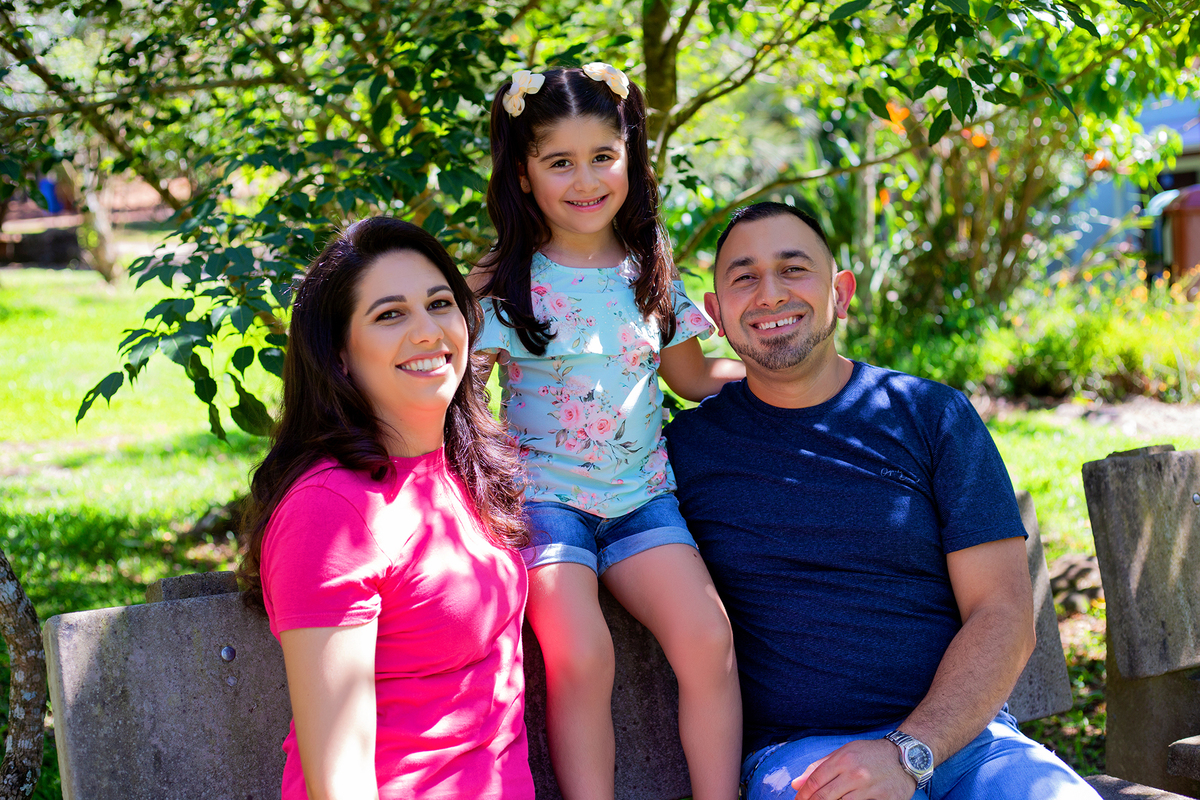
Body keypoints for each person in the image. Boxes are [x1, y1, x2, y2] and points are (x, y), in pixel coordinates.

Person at [665, 201, 1104, 800]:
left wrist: (910, 751)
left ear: (840, 293)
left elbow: (1003, 613)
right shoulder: (684, 452)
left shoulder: (930, 416)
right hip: (805, 758)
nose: (769, 294)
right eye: (744, 277)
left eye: (794, 269)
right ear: (714, 313)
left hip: (966, 745)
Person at [470, 63, 745, 800]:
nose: (585, 179)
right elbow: (455, 396)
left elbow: (690, 379)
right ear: (523, 175)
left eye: (603, 156)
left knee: (709, 640)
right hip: (544, 504)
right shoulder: (500, 283)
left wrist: (782, 376)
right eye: (559, 161)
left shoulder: (648, 270)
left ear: (630, 157)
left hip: (642, 502)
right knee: (583, 656)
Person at [238, 217, 534, 800]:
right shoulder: (329, 515)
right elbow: (337, 780)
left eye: (440, 303)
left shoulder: (463, 468)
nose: (429, 332)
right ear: (340, 356)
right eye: (390, 314)